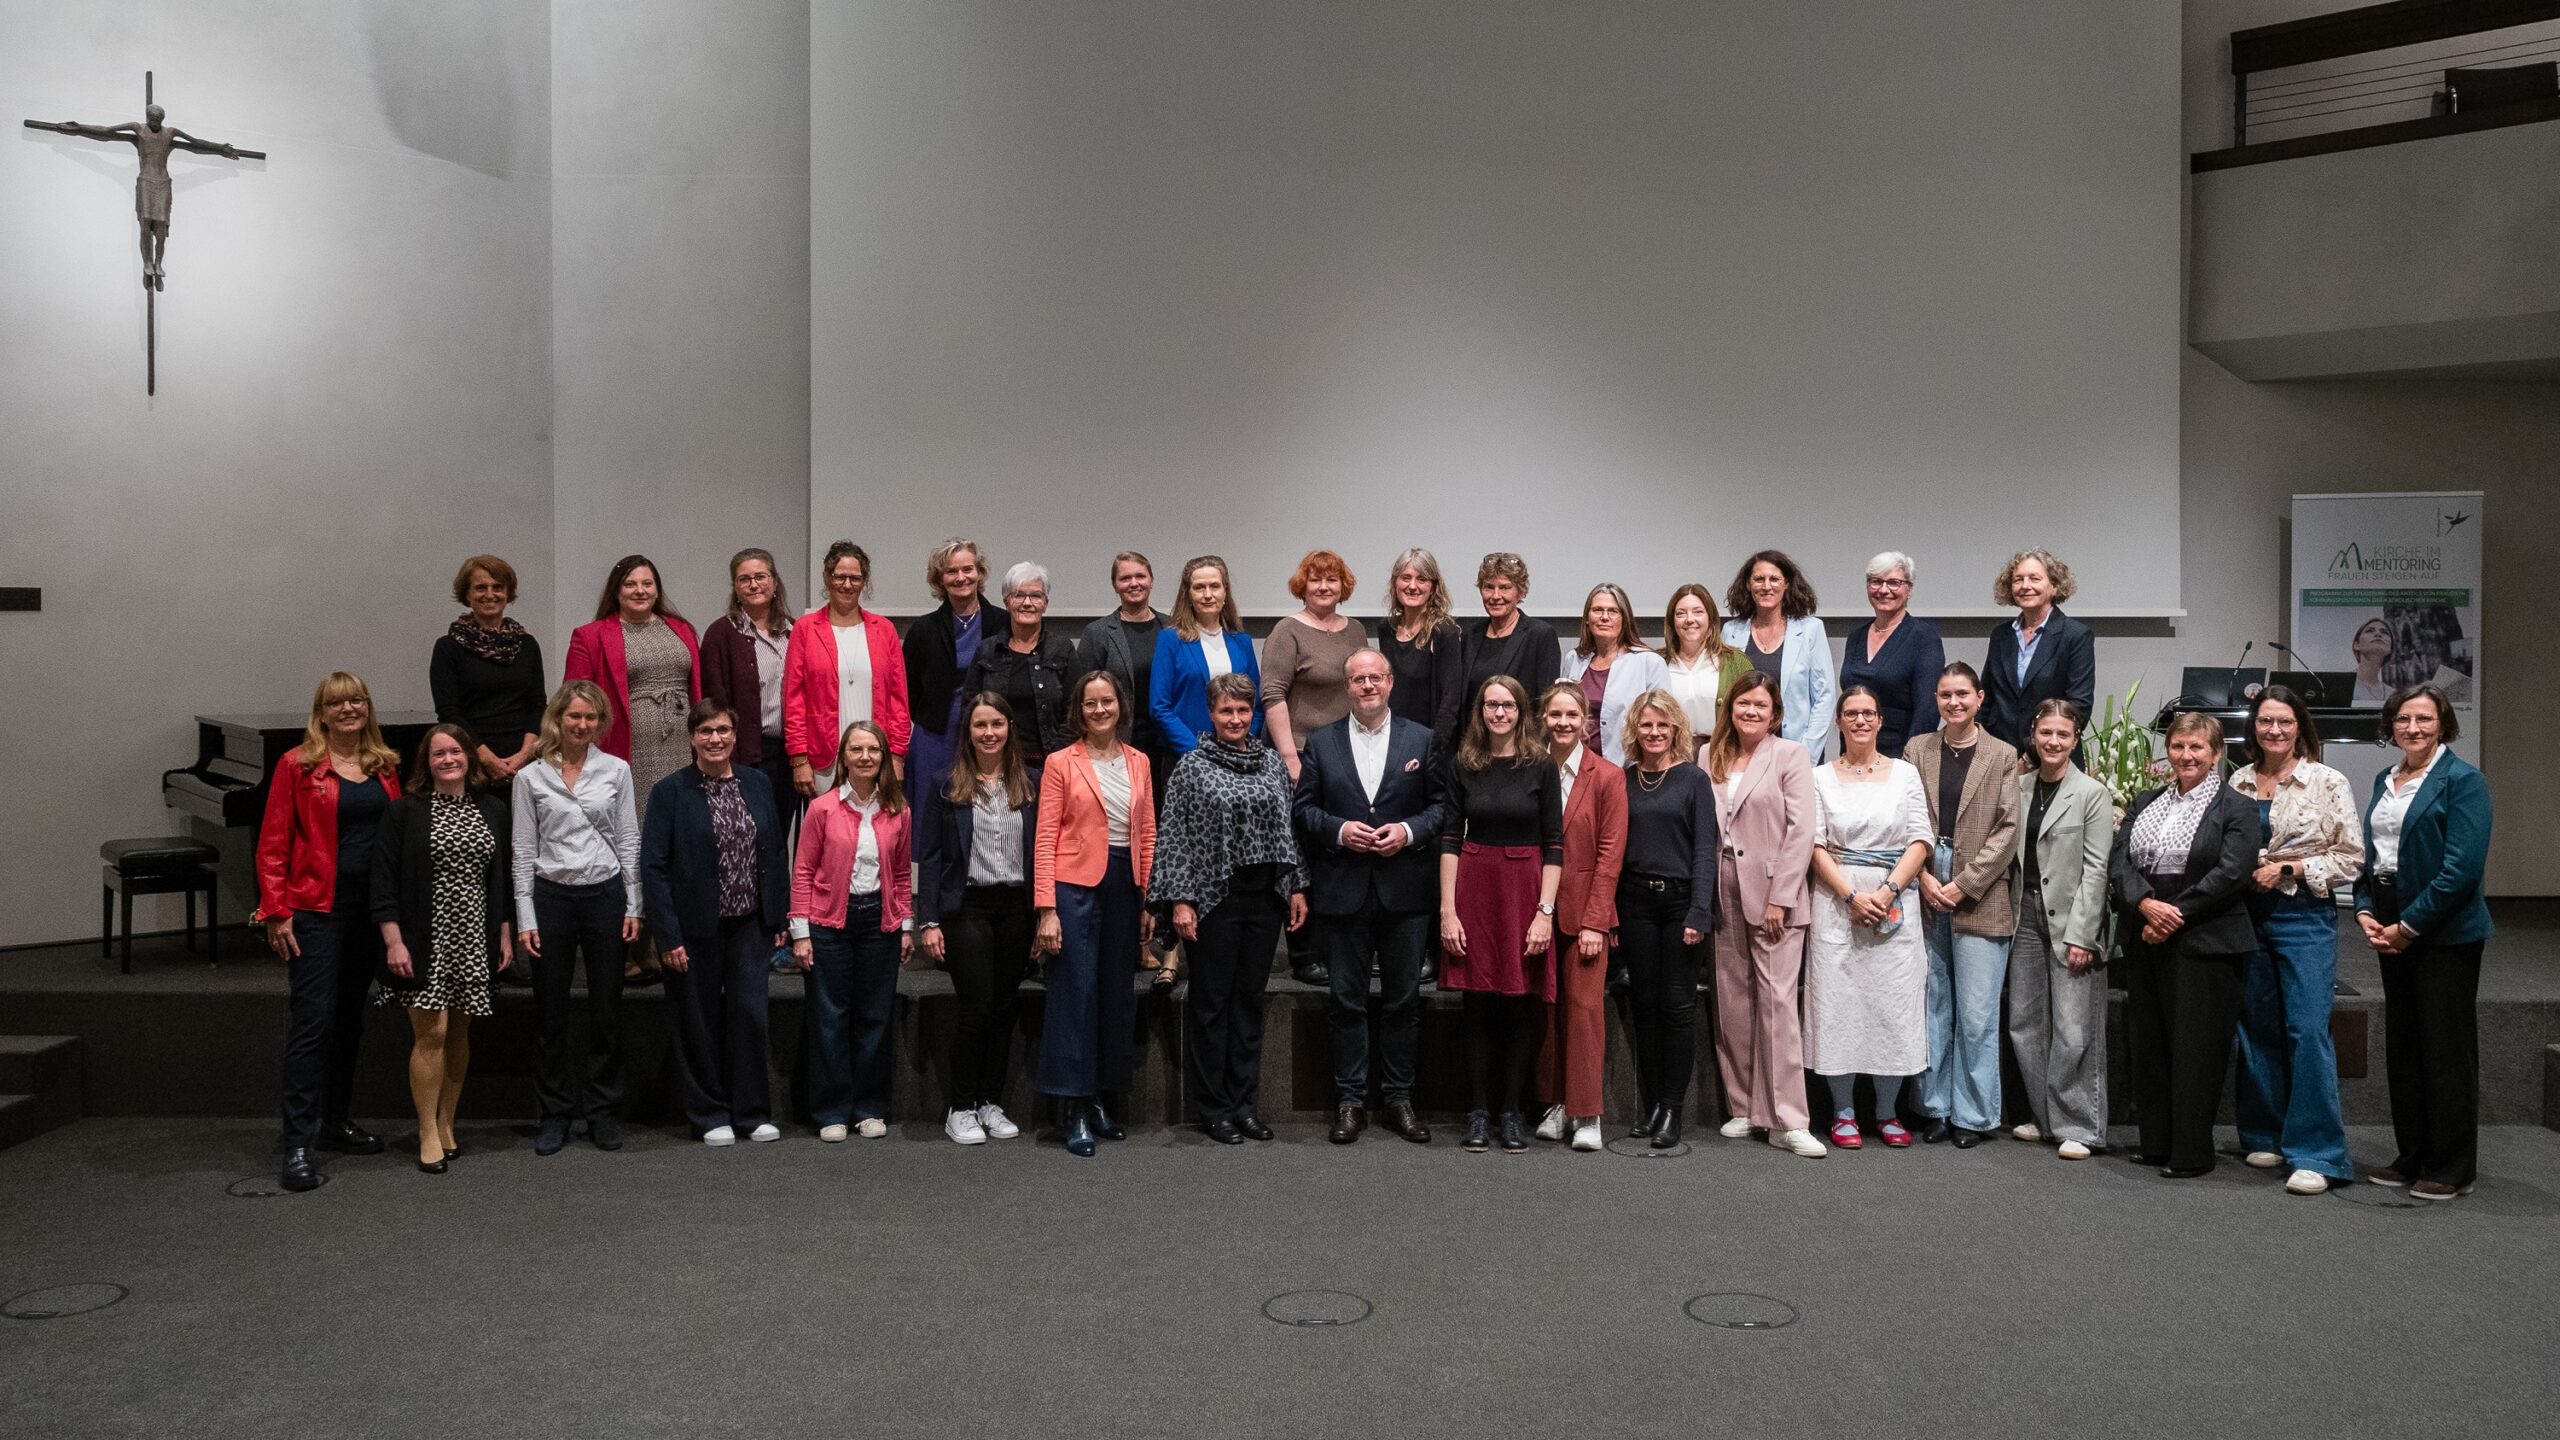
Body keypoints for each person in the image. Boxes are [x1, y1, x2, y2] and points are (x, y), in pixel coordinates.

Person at [257, 673, 404, 1192]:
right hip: (315, 909)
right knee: (311, 1023)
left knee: (347, 1020)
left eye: (358, 699)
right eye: (337, 702)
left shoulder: (384, 765)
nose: (349, 708)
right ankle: (298, 1141)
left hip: (370, 912)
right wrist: (275, 910)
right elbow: (273, 840)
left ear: (369, 706)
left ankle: (334, 1121)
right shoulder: (297, 765)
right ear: (320, 712)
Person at [1295, 649, 1446, 1145]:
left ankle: (1400, 1101)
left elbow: (1442, 807)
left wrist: (1406, 830)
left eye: (1374, 677)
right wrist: (1339, 831)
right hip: (1343, 890)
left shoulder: (1421, 739)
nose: (1366, 686)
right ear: (1347, 687)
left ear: (1390, 682)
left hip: (1405, 890)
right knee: (1346, 1002)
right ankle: (1350, 1102)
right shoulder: (1321, 742)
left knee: (1404, 1002)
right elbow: (1305, 812)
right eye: (1357, 679)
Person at [1153, 673, 1309, 1143]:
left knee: (1248, 1004)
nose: (1237, 718)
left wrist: (1296, 886)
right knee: (1211, 1005)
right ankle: (1213, 1107)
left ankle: (1245, 1105)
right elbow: (1173, 837)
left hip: (1264, 900)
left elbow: (1289, 828)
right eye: (1227, 711)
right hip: (1213, 901)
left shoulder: (1271, 764)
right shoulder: (1192, 767)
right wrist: (1181, 900)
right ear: (1212, 715)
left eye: (1243, 710)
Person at [2355, 684, 2493, 1201]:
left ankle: (2452, 1165)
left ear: (2444, 723)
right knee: (2406, 1047)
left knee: (2445, 1050)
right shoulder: (2385, 779)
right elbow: (2375, 855)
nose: (2413, 728)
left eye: (2424, 719)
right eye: (2403, 719)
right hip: (2391, 919)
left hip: (2443, 930)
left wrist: (2408, 927)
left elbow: (2461, 871)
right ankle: (2412, 1154)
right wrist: (2366, 908)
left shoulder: (2464, 781)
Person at [2110, 710, 2263, 1178]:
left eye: (2197, 747)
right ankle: (2156, 1143)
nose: (2186, 755)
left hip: (2206, 943)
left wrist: (2174, 914)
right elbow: (2119, 862)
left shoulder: (2236, 807)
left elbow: (2233, 871)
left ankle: (2192, 1153)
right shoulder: (2145, 800)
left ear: (2217, 754)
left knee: (2196, 1050)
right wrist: (2145, 906)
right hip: (2147, 939)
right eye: (2178, 746)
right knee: (2150, 1045)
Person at [2228, 686, 2364, 1196]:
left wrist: (2290, 867)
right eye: (2265, 721)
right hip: (2247, 915)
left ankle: (2317, 1152)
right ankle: (2265, 1131)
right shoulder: (2239, 780)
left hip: (2303, 914)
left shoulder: (2327, 781)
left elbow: (2351, 858)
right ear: (2254, 727)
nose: (2274, 731)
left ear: (2300, 725)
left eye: (2284, 721)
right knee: (2256, 1024)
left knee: (2307, 1028)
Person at [645, 703, 793, 1147]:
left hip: (750, 923)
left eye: (724, 730)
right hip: (694, 928)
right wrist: (667, 935)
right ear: (692, 737)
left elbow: (774, 853)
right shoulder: (670, 792)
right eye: (706, 731)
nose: (716, 739)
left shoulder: (758, 782)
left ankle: (750, 1113)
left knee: (749, 1016)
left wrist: (778, 915)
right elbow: (653, 867)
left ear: (735, 734)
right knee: (699, 1021)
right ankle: (710, 1114)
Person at [370, 724, 511, 1173]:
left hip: (474, 935)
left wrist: (504, 932)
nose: (448, 759)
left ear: (469, 757)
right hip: (422, 938)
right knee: (431, 1034)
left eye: (455, 751)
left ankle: (448, 1121)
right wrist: (394, 941)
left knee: (459, 1035)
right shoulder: (405, 812)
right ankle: (426, 1130)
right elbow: (384, 882)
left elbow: (500, 878)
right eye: (438, 754)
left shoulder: (491, 808)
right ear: (425, 763)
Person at [511, 681, 643, 1156]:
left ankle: (602, 1111)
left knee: (606, 1010)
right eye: (573, 717)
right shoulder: (529, 777)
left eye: (590, 718)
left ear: (600, 722)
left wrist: (634, 903)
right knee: (551, 1013)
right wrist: (525, 915)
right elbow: (523, 850)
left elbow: (629, 838)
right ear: (557, 720)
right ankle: (554, 1114)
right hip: (551, 898)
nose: (582, 725)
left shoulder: (617, 771)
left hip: (605, 895)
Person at [1439, 675, 1565, 1155]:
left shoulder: (1540, 766)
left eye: (1508, 704)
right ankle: (1477, 1111)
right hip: (1474, 889)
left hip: (1524, 892)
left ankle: (1511, 1112)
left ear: (1520, 711)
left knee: (1517, 1006)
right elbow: (1450, 839)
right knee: (1476, 1005)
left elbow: (1554, 843)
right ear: (1481, 712)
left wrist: (1544, 914)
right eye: (1491, 705)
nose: (1499, 712)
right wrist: (1448, 912)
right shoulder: (1463, 764)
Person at [1035, 670, 1159, 1157]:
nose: (1100, 710)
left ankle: (1104, 1099)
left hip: (1125, 884)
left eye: (1107, 701)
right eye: (1091, 704)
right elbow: (1045, 836)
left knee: (1115, 995)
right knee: (1075, 993)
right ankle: (1074, 1107)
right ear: (1079, 711)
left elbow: (1146, 831)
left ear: (1120, 706)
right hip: (1074, 886)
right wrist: (1047, 907)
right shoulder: (1060, 763)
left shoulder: (1140, 761)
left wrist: (1149, 898)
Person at [1803, 687, 1932, 1151]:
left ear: (1880, 721)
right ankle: (1842, 1111)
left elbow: (1920, 839)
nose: (1860, 720)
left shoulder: (1906, 774)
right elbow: (1813, 844)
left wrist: (1887, 891)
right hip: (1837, 900)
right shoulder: (1817, 776)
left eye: (1868, 713)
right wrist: (1852, 895)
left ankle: (1886, 1110)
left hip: (1895, 898)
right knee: (1838, 1004)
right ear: (1839, 721)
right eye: (1851, 713)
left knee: (1892, 1004)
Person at [1705, 672, 1824, 1157]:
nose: (1751, 712)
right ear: (1730, 708)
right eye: (1743, 703)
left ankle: (1790, 1119)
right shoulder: (1708, 755)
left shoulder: (1790, 755)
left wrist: (1782, 896)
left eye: (1760, 705)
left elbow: (1801, 831)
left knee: (1776, 1004)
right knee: (1731, 999)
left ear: (1774, 713)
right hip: (1721, 884)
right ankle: (1744, 1107)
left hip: (1774, 890)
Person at [1903, 663, 2022, 1148]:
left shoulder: (2003, 754)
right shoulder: (1917, 749)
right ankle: (1934, 1108)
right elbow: (1905, 818)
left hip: (1982, 890)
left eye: (1962, 695)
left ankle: (1973, 1115)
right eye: (1945, 695)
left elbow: (2009, 829)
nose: (1954, 703)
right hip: (1926, 876)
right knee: (1933, 1006)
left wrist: (1964, 883)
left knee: (1975, 1015)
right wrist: (1927, 876)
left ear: (1979, 698)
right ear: (1936, 699)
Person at [916, 694, 1041, 1144]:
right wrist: (927, 920)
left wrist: (1044, 913)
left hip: (1016, 909)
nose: (989, 733)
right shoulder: (945, 784)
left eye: (996, 724)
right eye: (979, 725)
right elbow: (929, 858)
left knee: (1005, 1007)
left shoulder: (1031, 783)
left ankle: (989, 1101)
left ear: (1009, 727)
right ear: (967, 731)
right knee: (977, 1005)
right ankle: (961, 1105)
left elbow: (1042, 853)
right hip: (966, 908)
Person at [790, 720, 915, 1142]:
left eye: (873, 750)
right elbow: (803, 870)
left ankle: (870, 1108)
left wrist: (905, 926)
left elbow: (900, 874)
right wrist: (800, 931)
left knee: (875, 1017)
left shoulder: (898, 810)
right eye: (857, 749)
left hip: (879, 923)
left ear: (884, 757)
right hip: (829, 925)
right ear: (843, 757)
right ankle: (831, 1111)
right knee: (830, 1018)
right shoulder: (823, 808)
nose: (865, 757)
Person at [2005, 700, 2116, 1161]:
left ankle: (2080, 1124)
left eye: (2063, 735)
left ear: (2075, 740)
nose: (2053, 742)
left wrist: (2082, 934)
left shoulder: (2091, 793)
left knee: (2074, 1027)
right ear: (2034, 734)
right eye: (2045, 733)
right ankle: (2045, 1116)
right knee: (2024, 1024)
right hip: (2022, 916)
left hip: (2071, 918)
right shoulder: (2019, 786)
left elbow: (2096, 869)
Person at [1610, 689, 1719, 1149]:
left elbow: (1703, 850)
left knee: (1676, 1009)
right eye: (1646, 725)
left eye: (1663, 726)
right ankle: (1652, 1104)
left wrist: (1698, 910)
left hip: (1679, 907)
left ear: (1675, 730)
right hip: (1634, 903)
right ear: (1635, 730)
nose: (1654, 733)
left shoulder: (1694, 779)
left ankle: (1672, 1108)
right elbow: (1612, 847)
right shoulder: (1623, 779)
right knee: (1646, 1007)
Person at [1530, 682, 1625, 1153]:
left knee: (1585, 1012)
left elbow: (1609, 857)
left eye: (1572, 715)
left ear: (1586, 723)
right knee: (1548, 1011)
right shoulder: (1531, 769)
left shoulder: (1607, 776)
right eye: (1555, 715)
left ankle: (1588, 1113)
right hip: (1538, 913)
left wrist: (1595, 920)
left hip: (1587, 916)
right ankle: (1556, 1104)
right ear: (1543, 719)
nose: (1563, 723)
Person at [563, 554, 701, 825]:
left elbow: (697, 690)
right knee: (636, 822)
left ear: (657, 589)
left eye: (647, 584)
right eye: (630, 584)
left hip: (681, 746)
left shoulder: (682, 629)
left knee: (681, 818)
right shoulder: (589, 636)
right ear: (616, 590)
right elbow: (574, 698)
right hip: (627, 746)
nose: (640, 591)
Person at [785, 540, 913, 797]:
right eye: (839, 576)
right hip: (824, 757)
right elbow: (794, 698)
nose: (847, 584)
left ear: (864, 580)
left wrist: (897, 755)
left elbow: (898, 699)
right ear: (826, 577)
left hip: (875, 754)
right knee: (831, 832)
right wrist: (799, 758)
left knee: (873, 830)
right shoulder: (806, 629)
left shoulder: (884, 630)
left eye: (854, 578)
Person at [698, 548, 796, 818]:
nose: (754, 585)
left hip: (790, 755)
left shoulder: (794, 631)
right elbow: (713, 699)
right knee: (747, 829)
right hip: (746, 753)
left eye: (760, 576)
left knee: (779, 833)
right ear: (735, 587)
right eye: (744, 579)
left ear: (774, 582)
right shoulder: (721, 633)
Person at [430, 554, 546, 782]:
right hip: (471, 763)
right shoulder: (448, 647)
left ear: (508, 593)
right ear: (467, 594)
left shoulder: (527, 644)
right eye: (481, 588)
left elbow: (537, 704)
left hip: (525, 765)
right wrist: (488, 759)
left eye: (498, 587)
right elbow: (448, 712)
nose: (490, 595)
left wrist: (524, 756)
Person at [1721, 550, 1837, 760]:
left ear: (1787, 584)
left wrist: (1806, 755)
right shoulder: (1731, 632)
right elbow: (1727, 696)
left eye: (1774, 579)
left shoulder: (1811, 629)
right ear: (1748, 585)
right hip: (1744, 751)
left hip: (1796, 750)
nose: (1766, 586)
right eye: (1759, 579)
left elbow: (1824, 697)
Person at [1981, 549, 2095, 761]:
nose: (2025, 586)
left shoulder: (2076, 635)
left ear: (2054, 586)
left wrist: (2030, 755)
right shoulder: (2000, 635)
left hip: (2053, 758)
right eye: (2018, 580)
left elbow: (2079, 706)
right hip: (2001, 758)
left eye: (2034, 579)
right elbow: (1986, 699)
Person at [902, 538, 991, 801]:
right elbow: (910, 690)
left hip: (986, 735)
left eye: (968, 569)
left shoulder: (1002, 623)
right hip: (934, 735)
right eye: (952, 571)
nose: (961, 577)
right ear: (940, 579)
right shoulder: (923, 629)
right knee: (929, 813)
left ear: (980, 573)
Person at [1074, 550, 1171, 788]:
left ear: (1151, 580)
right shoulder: (1098, 634)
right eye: (1125, 578)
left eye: (1140, 576)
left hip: (1167, 743)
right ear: (1115, 586)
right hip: (1119, 741)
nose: (1134, 583)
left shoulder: (1173, 628)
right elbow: (1082, 696)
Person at [965, 561, 1079, 761]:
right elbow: (970, 708)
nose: (1027, 603)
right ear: (1006, 602)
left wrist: (1057, 758)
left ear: (1045, 603)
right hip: (997, 763)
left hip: (1052, 763)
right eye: (1019, 595)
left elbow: (1076, 710)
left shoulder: (1062, 650)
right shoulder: (987, 651)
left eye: (1036, 596)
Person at [1835, 551, 1946, 758]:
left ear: (1909, 589)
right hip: (1852, 754)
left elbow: (1927, 711)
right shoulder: (1856, 637)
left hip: (1899, 758)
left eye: (1894, 583)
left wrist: (1910, 762)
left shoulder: (1924, 638)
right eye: (1876, 582)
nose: (1884, 590)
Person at [1149, 554, 1261, 756]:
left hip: (1237, 755)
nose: (1207, 594)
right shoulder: (1170, 640)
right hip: (1186, 755)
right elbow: (1160, 708)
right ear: (1188, 595)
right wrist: (1197, 752)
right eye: (1199, 587)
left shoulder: (1241, 641)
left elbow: (1257, 704)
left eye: (1215, 586)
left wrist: (1241, 743)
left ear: (1225, 592)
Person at [1560, 583, 1669, 766]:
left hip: (1628, 769)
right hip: (1577, 766)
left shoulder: (1649, 662)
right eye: (1597, 610)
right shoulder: (1574, 659)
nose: (1604, 617)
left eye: (1613, 611)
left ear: (1624, 619)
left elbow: (1664, 721)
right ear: (1587, 617)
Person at [1378, 547, 1466, 748]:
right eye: (1405, 577)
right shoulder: (1387, 629)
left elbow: (1451, 700)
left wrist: (1434, 747)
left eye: (1422, 579)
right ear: (1395, 582)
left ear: (1433, 587)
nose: (1412, 586)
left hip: (1428, 743)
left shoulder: (1444, 631)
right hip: (1390, 740)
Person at [1460, 552, 1561, 703]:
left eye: (1505, 588)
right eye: (1488, 587)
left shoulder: (1540, 635)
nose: (1495, 596)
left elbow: (1546, 701)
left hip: (1520, 727)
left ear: (1520, 592)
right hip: (1473, 727)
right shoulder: (1470, 635)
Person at [1659, 583, 1751, 739]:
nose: (1689, 619)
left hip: (1721, 756)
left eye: (1698, 612)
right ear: (1672, 622)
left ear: (1711, 618)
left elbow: (1752, 713)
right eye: (1681, 613)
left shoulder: (1736, 662)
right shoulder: (1656, 662)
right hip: (1669, 757)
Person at [2350, 618, 2395, 707]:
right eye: (2370, 631)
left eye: (2384, 632)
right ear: (2356, 645)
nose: (2378, 634)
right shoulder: (2343, 686)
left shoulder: (2393, 694)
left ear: (2390, 648)